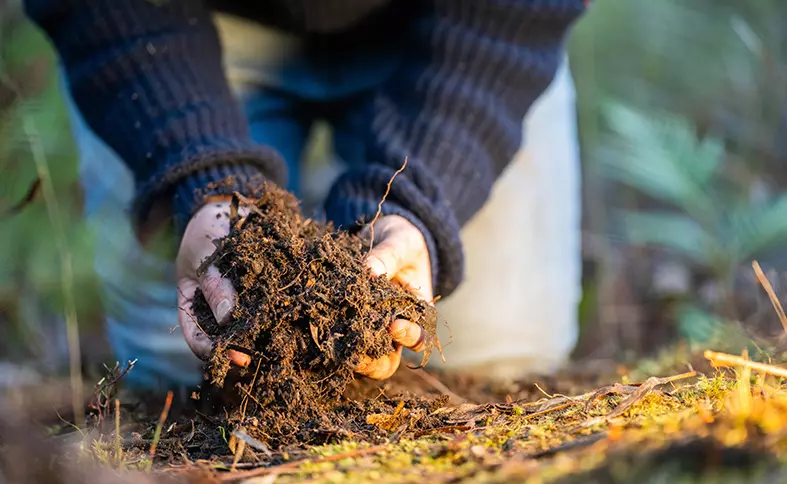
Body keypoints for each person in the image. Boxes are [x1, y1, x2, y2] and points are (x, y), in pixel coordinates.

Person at [25, 0, 586, 390]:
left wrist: (419, 199)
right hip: (180, 31)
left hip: (458, 33)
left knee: (501, 359)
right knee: (186, 353)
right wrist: (202, 176)